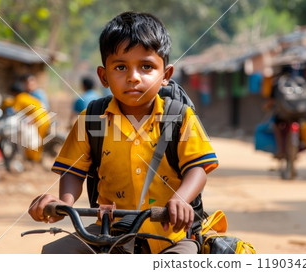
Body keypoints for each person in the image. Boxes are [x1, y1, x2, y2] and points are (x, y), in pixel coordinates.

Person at [28, 11, 218, 254]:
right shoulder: (92, 119)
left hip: (172, 236)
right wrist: (64, 203)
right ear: (104, 76)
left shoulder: (179, 117)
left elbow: (197, 169)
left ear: (165, 76)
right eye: (120, 67)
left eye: (146, 67)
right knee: (55, 255)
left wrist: (180, 199)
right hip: (110, 231)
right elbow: (73, 170)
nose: (133, 77)